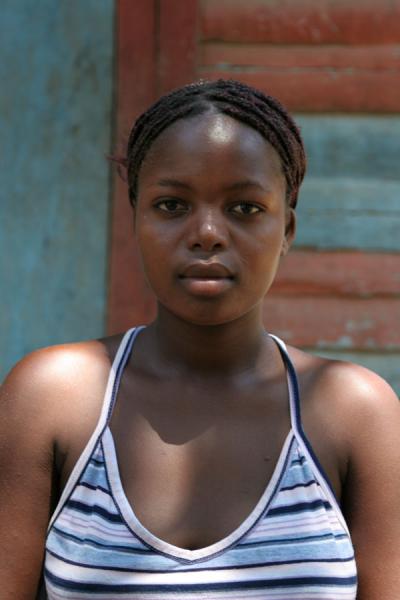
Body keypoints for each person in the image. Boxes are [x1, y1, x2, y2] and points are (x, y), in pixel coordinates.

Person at [0, 79, 399, 600]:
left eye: (245, 208)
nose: (207, 232)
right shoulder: (53, 398)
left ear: (288, 231)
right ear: (135, 218)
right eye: (171, 205)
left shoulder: (357, 414)